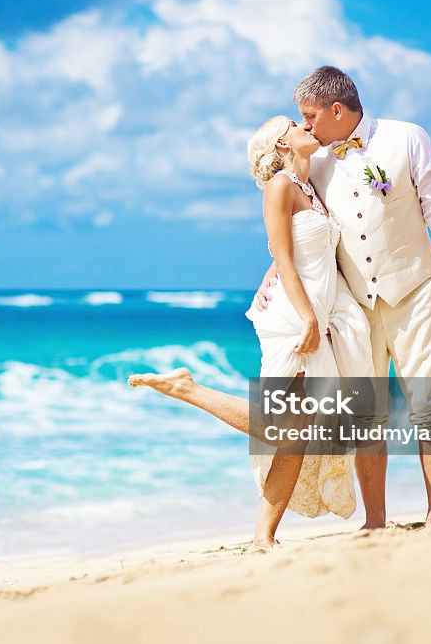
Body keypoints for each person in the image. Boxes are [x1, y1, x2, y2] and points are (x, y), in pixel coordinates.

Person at [130, 66, 431, 534]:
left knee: (429, 403)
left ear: (336, 110)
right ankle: (374, 522)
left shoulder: (406, 139)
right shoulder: (310, 166)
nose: (304, 126)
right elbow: (294, 236)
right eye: (298, 121)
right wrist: (277, 277)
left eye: (308, 116)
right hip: (351, 310)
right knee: (358, 416)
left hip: (411, 292)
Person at [130, 113, 374, 549]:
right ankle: (188, 389)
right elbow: (282, 255)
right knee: (287, 429)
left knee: (299, 431)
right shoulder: (281, 186)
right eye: (295, 127)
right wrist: (308, 319)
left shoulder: (309, 187)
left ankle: (264, 536)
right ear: (282, 146)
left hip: (313, 308)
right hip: (293, 316)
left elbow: (297, 249)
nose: (306, 127)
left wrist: (314, 308)